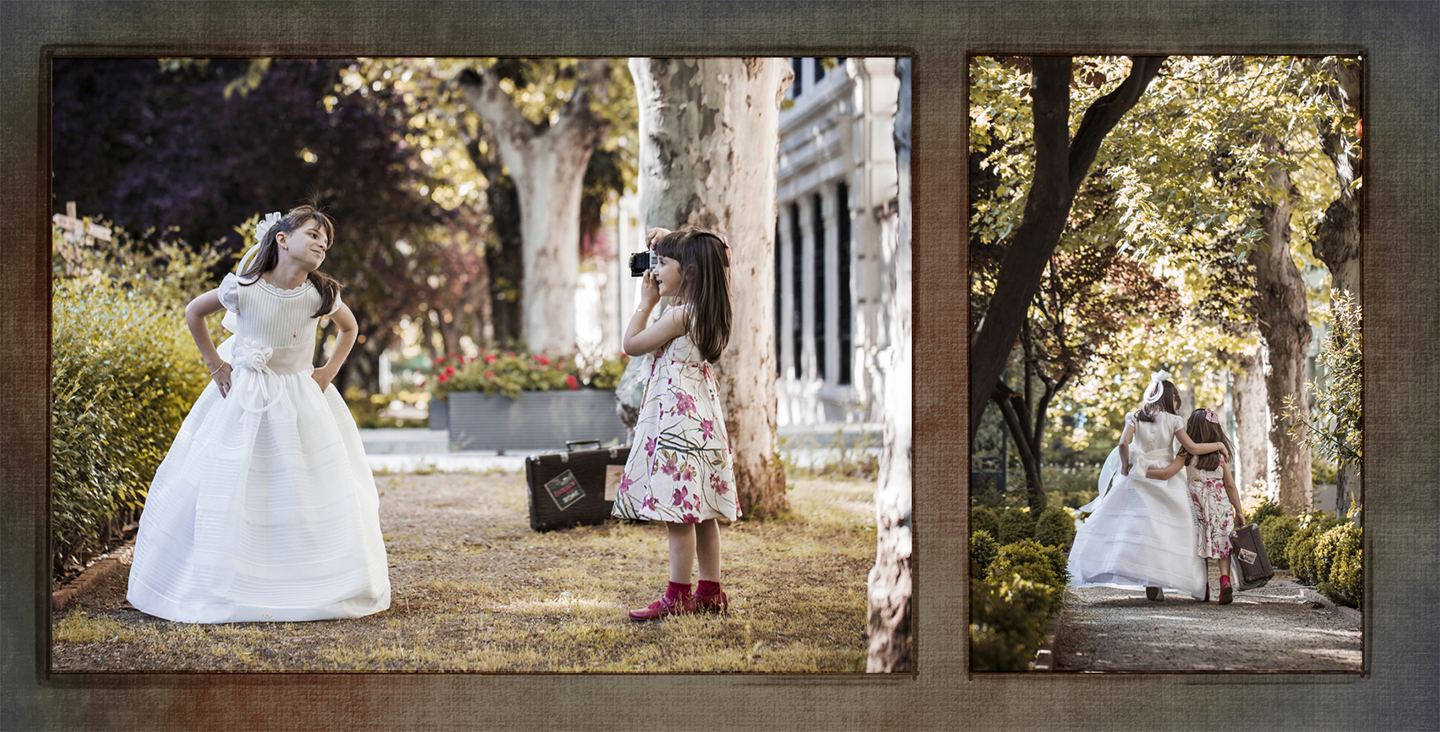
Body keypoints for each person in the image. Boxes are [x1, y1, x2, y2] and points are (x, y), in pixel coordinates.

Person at [127, 206, 390, 623]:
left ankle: (305, 578)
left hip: (299, 398)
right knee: (235, 481)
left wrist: (326, 372)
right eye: (312, 234)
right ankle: (227, 579)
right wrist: (216, 363)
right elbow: (195, 311)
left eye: (327, 240)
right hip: (245, 397)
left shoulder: (320, 294)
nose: (322, 243)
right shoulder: (245, 287)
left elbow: (349, 328)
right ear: (282, 240)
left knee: (304, 486)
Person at [611, 225, 737, 620]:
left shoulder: (679, 315)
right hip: (700, 420)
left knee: (679, 512)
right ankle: (710, 590)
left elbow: (632, 345)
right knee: (701, 512)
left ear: (692, 272)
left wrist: (645, 303)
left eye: (663, 263)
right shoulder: (710, 309)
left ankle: (678, 594)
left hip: (675, 422)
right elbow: (714, 255)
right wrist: (677, 241)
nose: (655, 270)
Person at [1067, 372, 1226, 602]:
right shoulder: (1174, 420)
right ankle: (1159, 580)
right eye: (1175, 399)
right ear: (1169, 398)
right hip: (1165, 477)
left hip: (1137, 476)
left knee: (1136, 528)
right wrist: (1219, 444)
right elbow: (1191, 447)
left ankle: (1148, 581)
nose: (1176, 403)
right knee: (1163, 530)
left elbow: (1123, 444)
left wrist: (1124, 467)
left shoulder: (1133, 417)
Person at [1146, 408, 1246, 604]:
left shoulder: (1186, 453)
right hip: (1220, 504)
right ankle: (1225, 579)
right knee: (1222, 543)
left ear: (1191, 430)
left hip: (1195, 505)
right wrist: (1239, 510)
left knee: (1200, 544)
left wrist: (1143, 472)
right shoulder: (1220, 454)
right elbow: (1230, 485)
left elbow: (1168, 473)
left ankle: (1204, 587)